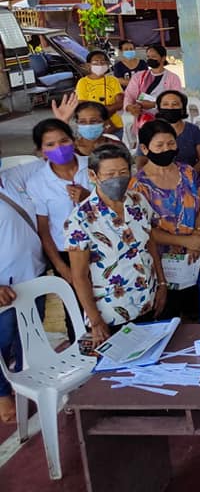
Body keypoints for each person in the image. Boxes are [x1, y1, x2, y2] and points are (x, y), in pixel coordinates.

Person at [65, 144, 167, 345]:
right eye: (110, 174)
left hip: (148, 300)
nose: (117, 179)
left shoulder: (138, 200)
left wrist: (162, 284)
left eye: (122, 172)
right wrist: (95, 321)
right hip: (111, 313)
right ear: (93, 176)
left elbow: (150, 244)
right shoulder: (80, 220)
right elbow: (79, 276)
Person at [131, 121, 200, 321]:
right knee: (168, 318)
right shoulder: (138, 186)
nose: (167, 149)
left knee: (197, 315)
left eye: (171, 143)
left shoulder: (187, 172)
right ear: (145, 148)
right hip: (162, 265)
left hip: (194, 256)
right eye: (160, 145)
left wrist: (197, 235)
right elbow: (145, 231)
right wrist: (185, 242)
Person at [0, 150, 46, 422]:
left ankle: (24, 384)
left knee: (28, 338)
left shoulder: (13, 176)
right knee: (2, 340)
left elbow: (51, 163)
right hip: (4, 285)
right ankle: (2, 393)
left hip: (34, 275)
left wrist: (61, 123)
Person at [26, 120, 92, 294]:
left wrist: (89, 198)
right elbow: (44, 231)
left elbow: (116, 204)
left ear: (74, 140)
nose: (59, 147)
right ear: (42, 152)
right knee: (79, 313)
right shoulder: (37, 183)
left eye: (64, 141)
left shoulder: (94, 166)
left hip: (104, 246)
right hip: (67, 253)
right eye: (50, 144)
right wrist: (62, 268)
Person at [135, 90, 200, 175]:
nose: (170, 108)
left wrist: (189, 178)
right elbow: (141, 161)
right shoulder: (149, 129)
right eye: (165, 104)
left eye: (175, 104)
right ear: (159, 108)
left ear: (182, 108)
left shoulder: (193, 130)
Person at [123, 44, 184, 136]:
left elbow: (176, 100)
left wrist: (154, 105)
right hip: (142, 120)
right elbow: (129, 95)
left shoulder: (173, 78)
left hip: (165, 120)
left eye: (154, 56)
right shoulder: (139, 76)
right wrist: (130, 107)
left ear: (163, 58)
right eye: (148, 57)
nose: (150, 59)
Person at [76, 50, 124, 133]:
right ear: (88, 65)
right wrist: (108, 109)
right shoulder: (83, 82)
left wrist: (99, 111)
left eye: (102, 62)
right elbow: (83, 106)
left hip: (117, 125)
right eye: (96, 62)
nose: (100, 65)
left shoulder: (113, 80)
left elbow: (120, 103)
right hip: (93, 127)